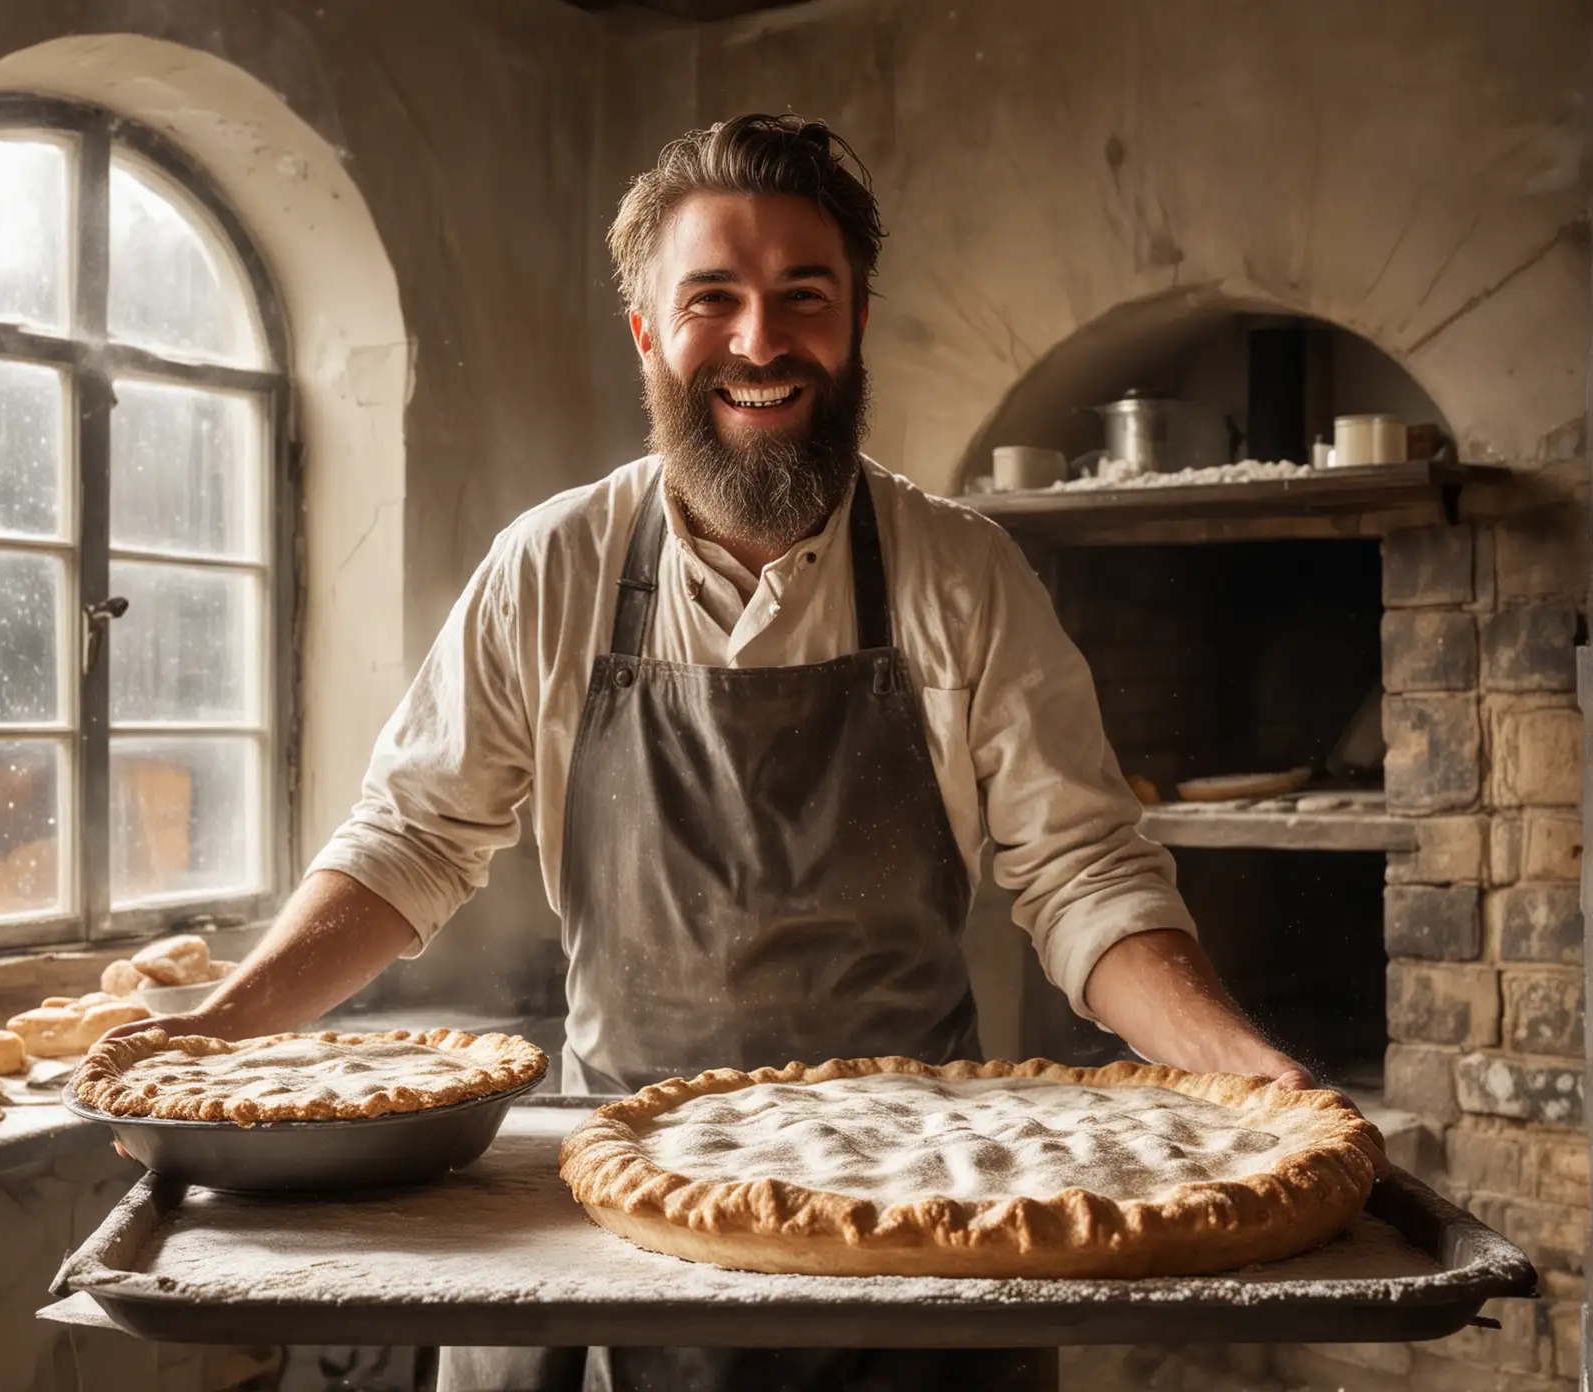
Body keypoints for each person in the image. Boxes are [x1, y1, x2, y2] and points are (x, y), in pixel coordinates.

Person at [121, 114, 1330, 1392]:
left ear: (855, 320)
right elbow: (412, 840)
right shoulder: (555, 566)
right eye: (714, 300)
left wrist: (1247, 1069)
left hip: (918, 1201)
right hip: (623, 1181)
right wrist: (213, 1035)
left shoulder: (960, 573)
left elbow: (1083, 876)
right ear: (648, 330)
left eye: (803, 298)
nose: (761, 344)